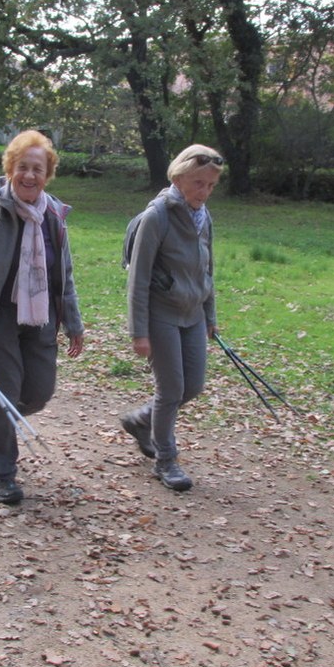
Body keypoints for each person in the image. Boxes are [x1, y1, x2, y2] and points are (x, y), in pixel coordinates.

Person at [0, 130, 85, 505]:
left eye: (38, 169)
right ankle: (1, 472)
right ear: (10, 168)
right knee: (5, 392)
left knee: (39, 392)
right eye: (23, 167)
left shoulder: (54, 216)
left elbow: (65, 275)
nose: (29, 176)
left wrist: (74, 322)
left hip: (41, 316)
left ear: (48, 174)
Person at [120, 144, 223, 491]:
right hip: (160, 314)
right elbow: (138, 278)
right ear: (178, 178)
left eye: (210, 185)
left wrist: (210, 314)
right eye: (198, 183)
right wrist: (139, 332)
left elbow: (207, 269)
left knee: (192, 385)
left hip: (192, 314)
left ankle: (141, 420)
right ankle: (166, 461)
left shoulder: (203, 217)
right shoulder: (157, 217)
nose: (204, 192)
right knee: (171, 389)